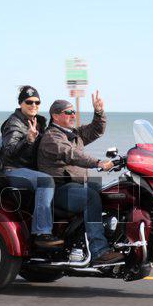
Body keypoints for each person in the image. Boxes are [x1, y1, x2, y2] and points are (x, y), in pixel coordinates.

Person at [37, 92, 125, 264]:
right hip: (59, 189)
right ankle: (99, 251)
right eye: (68, 112)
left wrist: (99, 112)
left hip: (76, 185)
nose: (73, 115)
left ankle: (114, 237)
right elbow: (72, 154)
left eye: (74, 112)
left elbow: (96, 130)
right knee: (90, 197)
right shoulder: (52, 137)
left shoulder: (74, 134)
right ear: (55, 116)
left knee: (110, 191)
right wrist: (98, 163)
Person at [0, 86, 63, 248]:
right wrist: (27, 140)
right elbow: (9, 151)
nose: (33, 105)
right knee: (45, 181)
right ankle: (42, 233)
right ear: (21, 103)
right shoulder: (13, 123)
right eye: (29, 102)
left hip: (31, 171)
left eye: (37, 102)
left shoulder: (40, 122)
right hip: (13, 170)